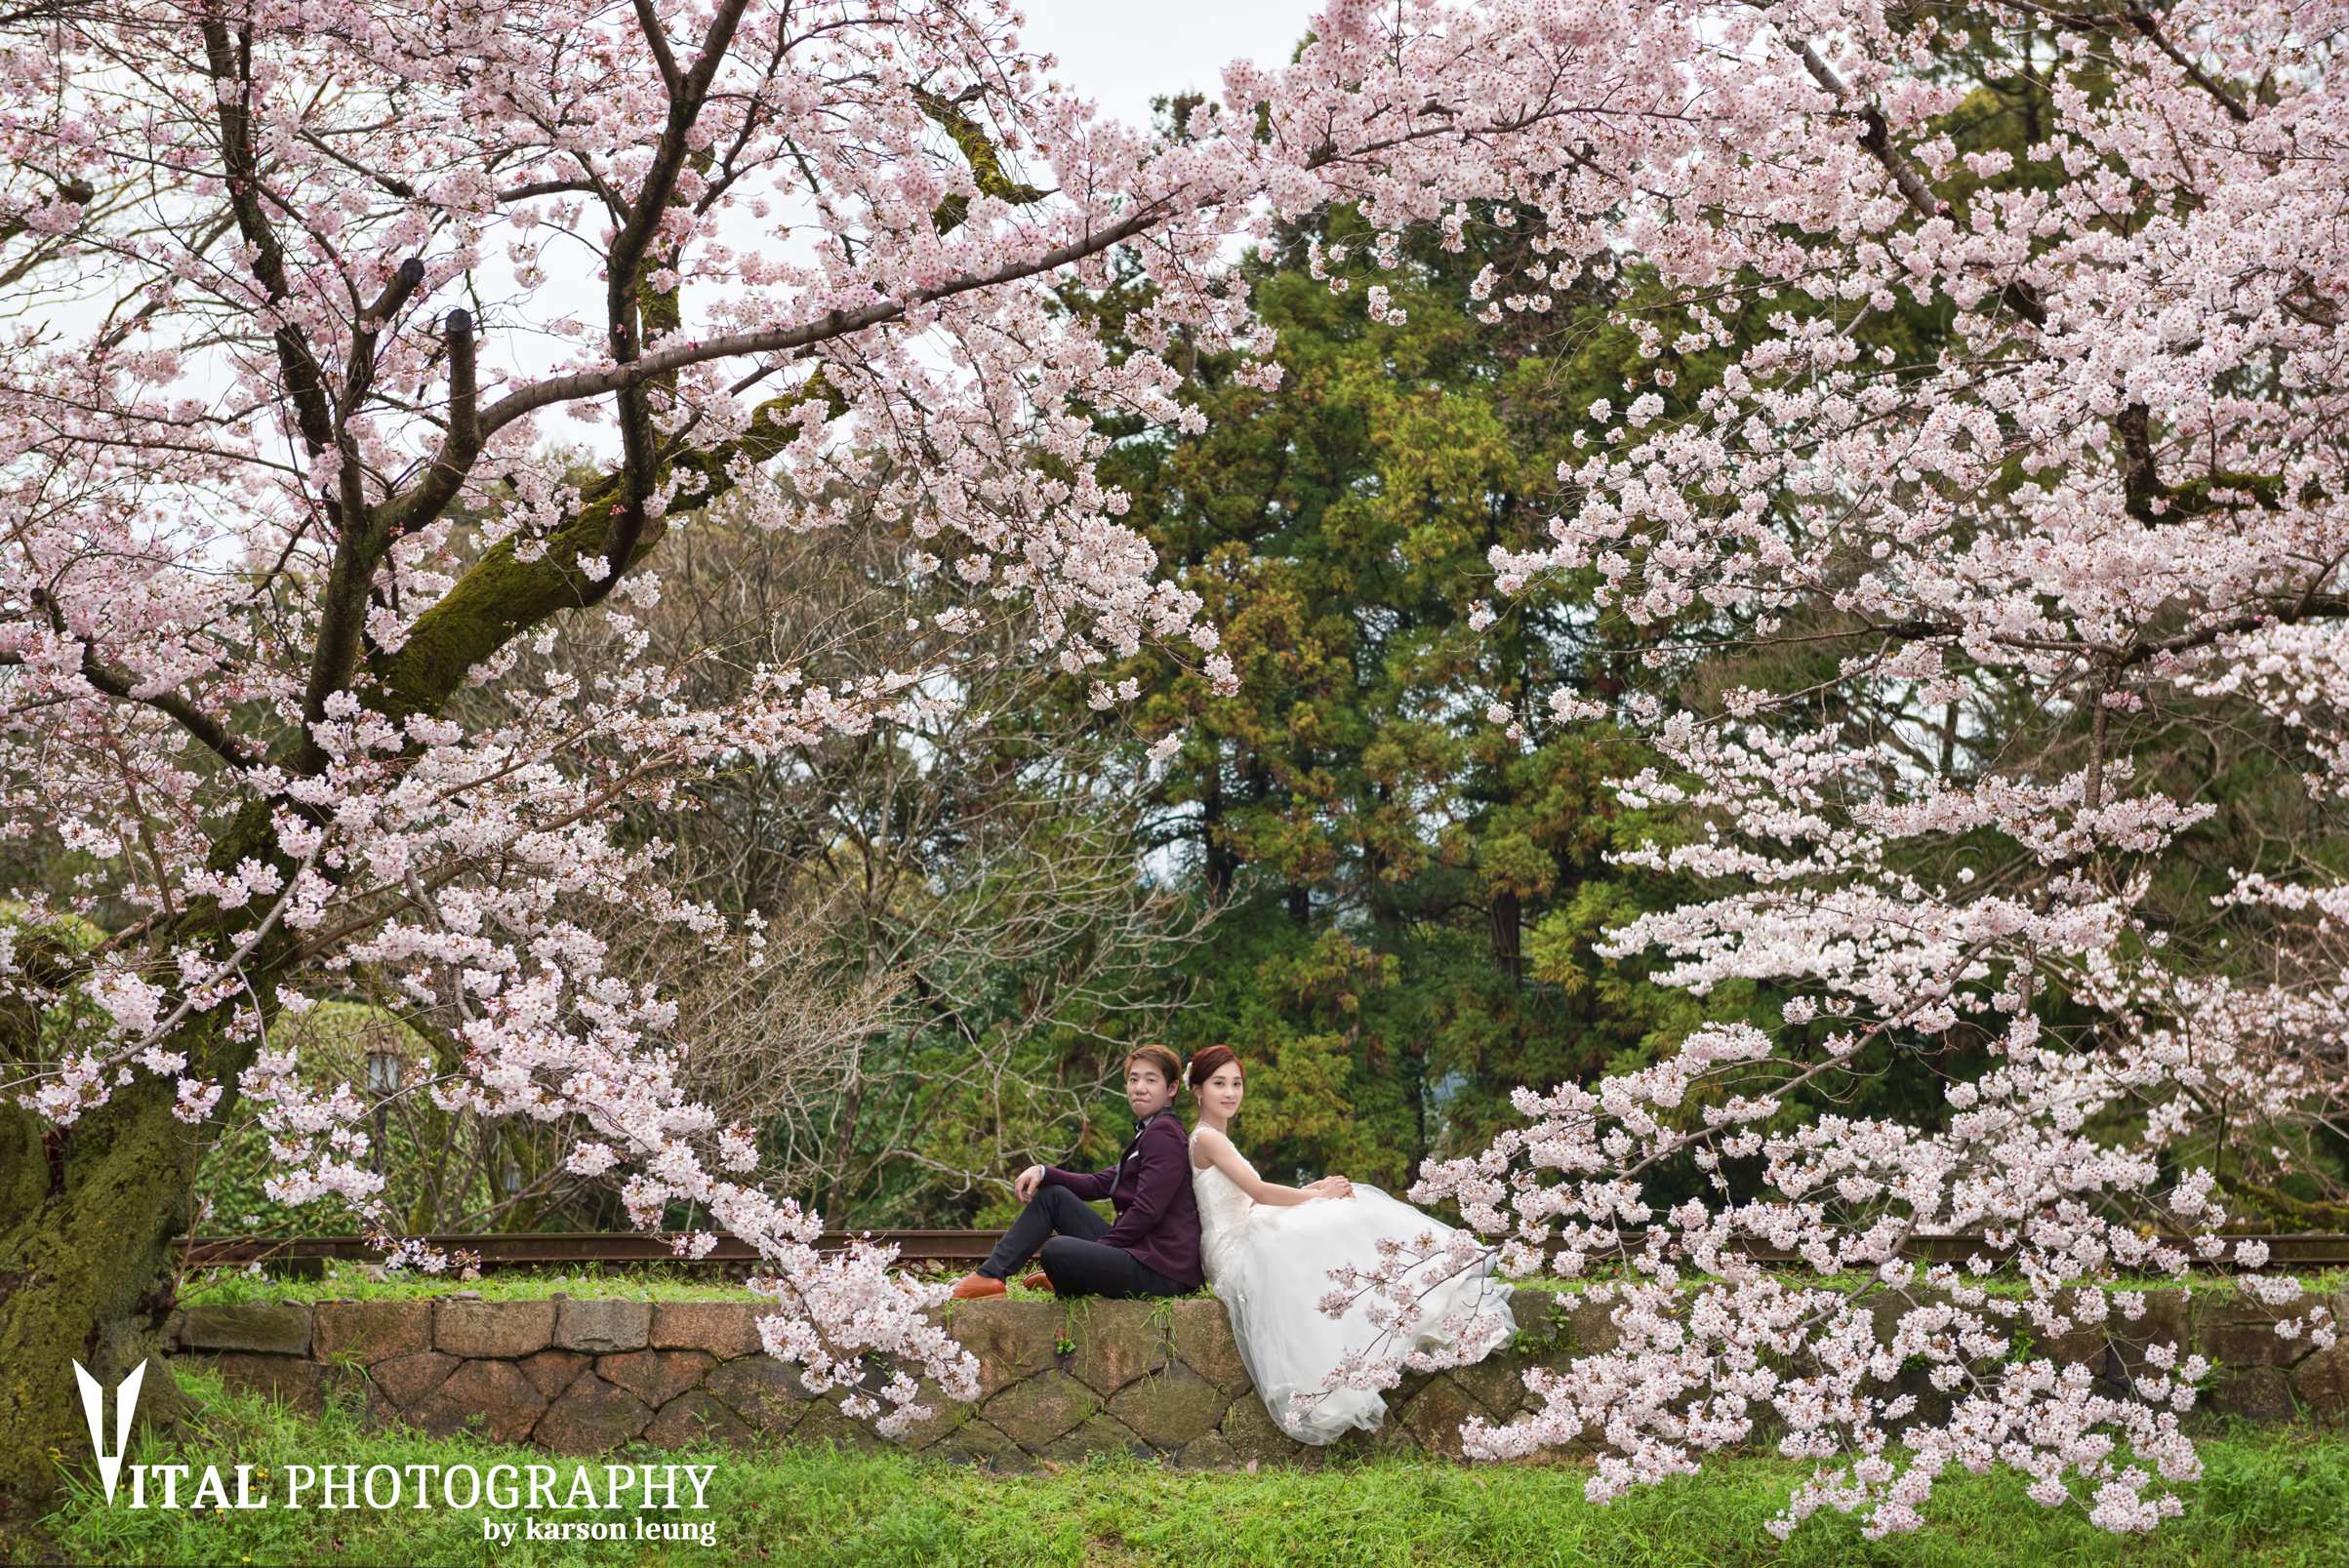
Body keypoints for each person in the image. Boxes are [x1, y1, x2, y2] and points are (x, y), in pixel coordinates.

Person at [1186, 1044, 1516, 1443]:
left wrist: (1313, 1190)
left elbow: (1250, 1198)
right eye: (1219, 1084)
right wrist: (1318, 1195)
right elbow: (1257, 1191)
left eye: (1236, 1084)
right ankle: (1424, 1287)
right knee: (1335, 1216)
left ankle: (1416, 1287)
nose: (1230, 1093)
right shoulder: (1208, 1138)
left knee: (1337, 1212)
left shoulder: (1217, 1137)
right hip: (1233, 1246)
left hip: (1249, 1224)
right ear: (1197, 1089)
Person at [949, 1043, 1203, 1301]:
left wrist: (1094, 1254)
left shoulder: (1163, 1133)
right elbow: (1097, 1184)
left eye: (1151, 1080)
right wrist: (1043, 1172)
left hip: (1161, 1271)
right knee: (1053, 1197)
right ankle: (990, 1277)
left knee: (1057, 1250)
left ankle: (1063, 1276)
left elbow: (1147, 1211)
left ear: (1171, 1088)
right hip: (1141, 1253)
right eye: (1133, 1079)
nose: (1139, 1088)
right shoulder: (1151, 1131)